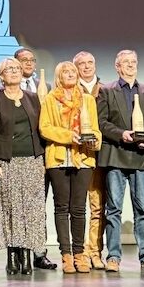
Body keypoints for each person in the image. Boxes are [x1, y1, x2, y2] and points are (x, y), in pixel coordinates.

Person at [97, 49, 144, 272]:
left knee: (142, 208)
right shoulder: (106, 90)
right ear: (117, 67)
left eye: (134, 62)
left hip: (141, 157)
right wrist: (121, 134)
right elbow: (102, 122)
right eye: (126, 62)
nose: (130, 65)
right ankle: (114, 257)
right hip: (116, 155)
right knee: (114, 209)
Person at [39, 61, 101, 274]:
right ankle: (66, 254)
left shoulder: (87, 100)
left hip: (83, 158)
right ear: (58, 77)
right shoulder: (50, 99)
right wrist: (69, 137)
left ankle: (79, 253)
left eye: (73, 71)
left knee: (79, 208)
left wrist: (95, 141)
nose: (71, 74)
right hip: (58, 159)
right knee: (61, 207)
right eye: (66, 72)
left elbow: (95, 129)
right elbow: (44, 128)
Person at [0, 57, 46, 274]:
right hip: (7, 161)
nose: (14, 72)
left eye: (17, 69)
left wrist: (44, 159)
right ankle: (12, 255)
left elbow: (40, 130)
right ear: (1, 76)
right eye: (9, 69)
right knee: (11, 209)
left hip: (32, 160)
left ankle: (27, 256)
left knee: (31, 210)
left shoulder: (32, 98)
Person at [15, 45, 56, 269]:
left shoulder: (46, 87)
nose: (29, 63)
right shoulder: (8, 88)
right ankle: (20, 253)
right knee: (20, 206)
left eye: (32, 60)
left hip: (43, 154)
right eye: (24, 60)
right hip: (20, 154)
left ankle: (40, 253)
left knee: (39, 205)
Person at [74, 50, 106, 269]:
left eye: (90, 62)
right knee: (76, 207)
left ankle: (94, 251)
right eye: (82, 64)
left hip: (99, 155)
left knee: (97, 206)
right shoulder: (68, 90)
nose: (86, 67)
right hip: (75, 155)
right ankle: (78, 253)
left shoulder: (106, 90)